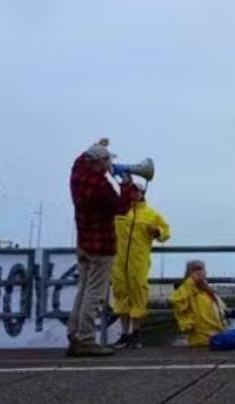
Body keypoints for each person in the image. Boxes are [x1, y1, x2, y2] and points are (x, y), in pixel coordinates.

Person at [67, 138, 139, 357]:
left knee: (82, 290)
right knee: (94, 295)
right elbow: (121, 207)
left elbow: (80, 158)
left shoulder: (78, 173)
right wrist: (126, 185)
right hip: (101, 245)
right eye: (106, 162)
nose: (109, 167)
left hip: (84, 243)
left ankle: (74, 335)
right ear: (99, 162)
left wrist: (99, 145)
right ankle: (86, 339)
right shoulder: (99, 186)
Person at [111, 183, 171, 349]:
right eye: (131, 191)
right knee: (120, 292)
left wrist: (157, 232)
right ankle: (124, 334)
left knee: (138, 292)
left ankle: (136, 333)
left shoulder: (151, 214)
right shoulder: (119, 210)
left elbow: (166, 232)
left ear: (142, 193)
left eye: (137, 191)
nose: (134, 194)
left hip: (139, 260)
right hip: (119, 260)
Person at [170, 260, 228, 347]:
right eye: (196, 269)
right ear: (190, 272)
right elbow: (178, 303)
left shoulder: (207, 291)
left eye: (202, 269)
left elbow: (223, 310)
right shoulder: (185, 290)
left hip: (217, 335)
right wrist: (191, 281)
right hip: (201, 338)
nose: (201, 272)